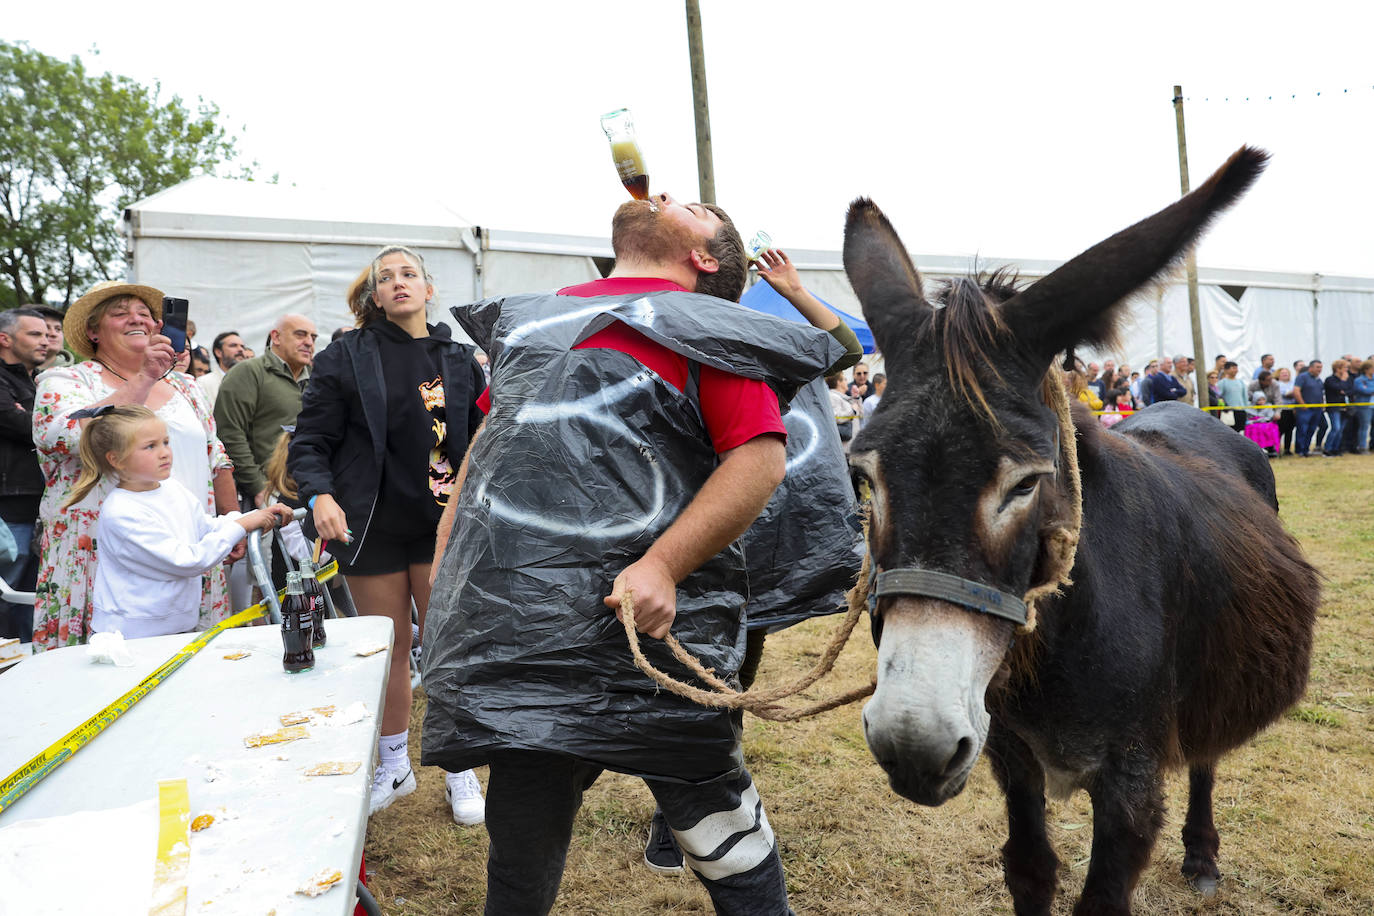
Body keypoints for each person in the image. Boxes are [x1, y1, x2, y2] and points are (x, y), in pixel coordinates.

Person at [422, 191, 835, 915]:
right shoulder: (536, 319)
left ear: (703, 257)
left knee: (723, 830)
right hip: (528, 632)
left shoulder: (705, 324)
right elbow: (491, 448)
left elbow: (759, 458)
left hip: (648, 633)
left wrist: (662, 565)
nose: (668, 193)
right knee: (520, 838)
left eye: (696, 206)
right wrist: (450, 549)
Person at [290, 246, 487, 822]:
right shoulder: (344, 355)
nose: (398, 284)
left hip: (442, 524)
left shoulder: (459, 359)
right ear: (373, 295)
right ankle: (394, 764)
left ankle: (460, 768)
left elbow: (481, 440)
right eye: (385, 278)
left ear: (428, 288)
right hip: (369, 524)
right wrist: (319, 494)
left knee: (449, 648)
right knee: (391, 648)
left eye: (409, 274)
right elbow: (310, 440)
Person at [32, 281, 237, 650]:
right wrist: (144, 378)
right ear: (93, 331)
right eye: (120, 312)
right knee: (103, 679)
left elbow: (216, 457)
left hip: (190, 550)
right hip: (102, 562)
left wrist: (232, 520)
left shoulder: (188, 387)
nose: (136, 318)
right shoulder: (65, 382)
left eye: (145, 312)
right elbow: (74, 436)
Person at [65, 405, 291, 639]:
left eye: (165, 442)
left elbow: (203, 527)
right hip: (131, 635)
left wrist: (249, 518)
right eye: (150, 446)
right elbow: (186, 560)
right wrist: (241, 526)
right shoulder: (122, 511)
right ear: (116, 460)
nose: (164, 452)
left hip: (175, 628)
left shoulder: (171, 488)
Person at [214, 314, 317, 509]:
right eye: (300, 335)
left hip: (308, 491)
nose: (309, 343)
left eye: (313, 337)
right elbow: (230, 433)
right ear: (276, 337)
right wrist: (258, 487)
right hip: (264, 495)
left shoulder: (317, 379)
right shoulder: (248, 372)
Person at [0, 309, 51, 640]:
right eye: (35, 334)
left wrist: (30, 415)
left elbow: (33, 423)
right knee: (6, 593)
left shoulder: (37, 381)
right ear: (5, 338)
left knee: (32, 600)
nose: (45, 341)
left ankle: (23, 667)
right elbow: (24, 424)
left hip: (39, 506)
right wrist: (41, 419)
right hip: (9, 508)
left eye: (47, 334)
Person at [197, 330, 249, 406]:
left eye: (242, 346)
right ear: (219, 352)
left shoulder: (252, 382)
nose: (240, 349)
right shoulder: (203, 383)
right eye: (233, 345)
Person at [1292, 360, 1326, 457]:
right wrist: (1302, 404)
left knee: (1311, 430)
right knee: (1302, 429)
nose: (1320, 369)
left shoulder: (1318, 379)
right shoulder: (1302, 377)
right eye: (1317, 367)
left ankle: (1306, 449)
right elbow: (1296, 391)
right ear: (1311, 367)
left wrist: (1322, 404)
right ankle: (1300, 450)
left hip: (1317, 409)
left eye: (1321, 367)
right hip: (1305, 410)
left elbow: (1321, 393)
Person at [1322, 359, 1353, 457]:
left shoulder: (1348, 379)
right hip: (1334, 408)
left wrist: (1343, 389)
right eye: (1345, 367)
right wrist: (1343, 383)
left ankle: (1336, 449)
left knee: (1340, 429)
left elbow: (1351, 390)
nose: (1346, 370)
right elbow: (1338, 388)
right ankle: (1328, 448)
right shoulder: (1330, 379)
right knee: (1336, 428)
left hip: (1345, 408)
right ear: (1337, 368)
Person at [1216, 361, 1248, 434]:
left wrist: (1246, 409)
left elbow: (1245, 397)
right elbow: (1219, 396)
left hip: (1241, 410)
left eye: (1236, 368)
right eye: (1233, 368)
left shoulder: (1241, 382)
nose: (1235, 370)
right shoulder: (1222, 383)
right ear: (1226, 370)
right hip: (1229, 412)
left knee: (1241, 431)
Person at [1352, 359, 1374, 454]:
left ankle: (1372, 445)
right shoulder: (1359, 380)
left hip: (1372, 405)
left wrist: (1369, 389)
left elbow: (1368, 390)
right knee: (1364, 426)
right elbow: (1364, 391)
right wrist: (1369, 390)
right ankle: (1362, 447)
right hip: (1364, 406)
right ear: (1366, 369)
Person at [1276, 367, 1298, 454]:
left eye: (1287, 373)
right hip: (1282, 409)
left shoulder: (1293, 383)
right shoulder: (1277, 384)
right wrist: (1295, 392)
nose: (1285, 374)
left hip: (1292, 410)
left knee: (1290, 430)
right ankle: (1277, 448)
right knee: (1280, 430)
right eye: (1283, 373)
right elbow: (1286, 394)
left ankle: (1287, 449)